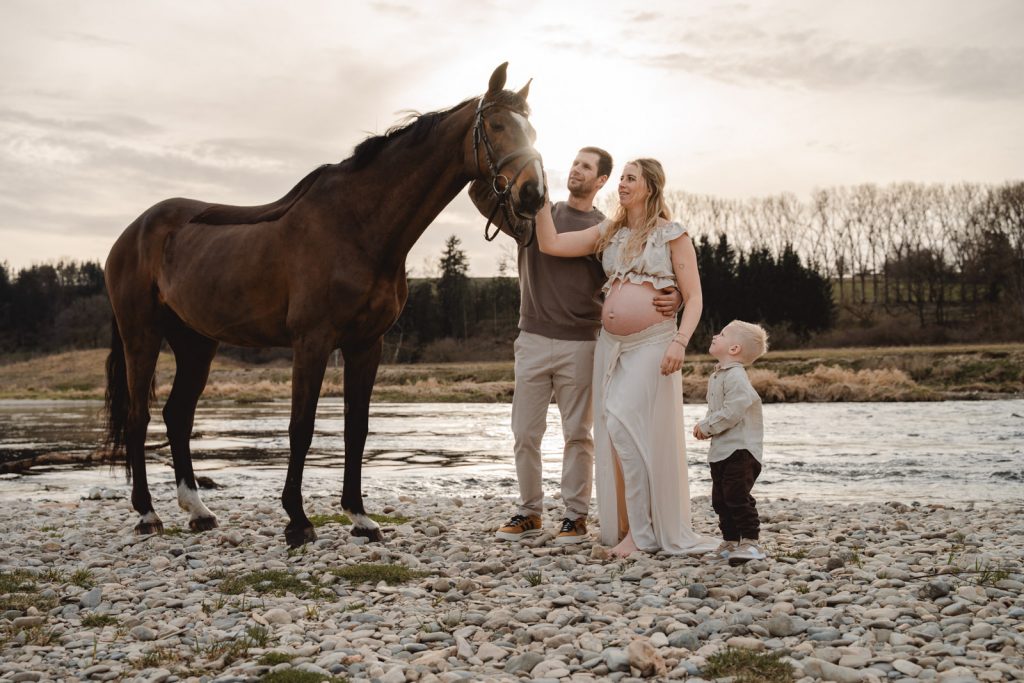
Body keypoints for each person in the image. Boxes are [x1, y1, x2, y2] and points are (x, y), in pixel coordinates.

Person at [471, 148, 681, 545]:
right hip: (531, 337)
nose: (575, 170)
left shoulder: (606, 230)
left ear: (601, 181)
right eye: (574, 163)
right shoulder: (532, 212)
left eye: (586, 167)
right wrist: (491, 163)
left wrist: (678, 298)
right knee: (524, 433)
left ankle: (574, 516)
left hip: (582, 343)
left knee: (578, 434)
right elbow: (480, 196)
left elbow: (643, 272)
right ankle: (529, 512)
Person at [536, 157, 719, 558]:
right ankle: (632, 529)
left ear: (650, 187)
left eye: (630, 178)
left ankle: (643, 535)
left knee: (622, 423)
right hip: (611, 346)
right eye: (620, 178)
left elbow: (694, 297)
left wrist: (680, 343)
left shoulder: (672, 234)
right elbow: (551, 244)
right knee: (617, 434)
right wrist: (539, 197)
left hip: (654, 343)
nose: (621, 184)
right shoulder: (610, 231)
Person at [693, 321, 769, 565]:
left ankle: (750, 542)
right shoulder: (718, 375)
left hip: (741, 450)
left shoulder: (736, 376)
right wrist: (709, 426)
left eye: (722, 334)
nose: (715, 335)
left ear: (734, 348)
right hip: (722, 450)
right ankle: (730, 540)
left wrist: (707, 426)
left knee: (737, 495)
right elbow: (717, 408)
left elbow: (734, 409)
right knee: (720, 498)